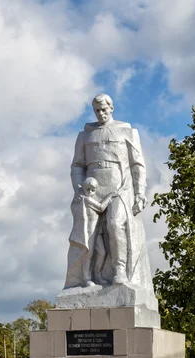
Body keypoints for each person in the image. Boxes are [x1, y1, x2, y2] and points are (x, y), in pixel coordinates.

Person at [64, 93, 153, 290]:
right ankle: (87, 277)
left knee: (115, 223)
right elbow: (77, 165)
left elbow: (137, 165)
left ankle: (119, 270)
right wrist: (79, 187)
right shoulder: (85, 135)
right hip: (92, 189)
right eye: (97, 110)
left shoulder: (126, 131)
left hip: (119, 186)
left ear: (111, 108)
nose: (101, 113)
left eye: (104, 109)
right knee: (90, 234)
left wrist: (139, 192)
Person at [68, 176, 109, 287]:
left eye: (93, 189)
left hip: (97, 231)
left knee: (102, 252)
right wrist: (110, 196)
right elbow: (101, 208)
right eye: (88, 189)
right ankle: (87, 278)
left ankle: (98, 275)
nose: (90, 192)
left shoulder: (88, 198)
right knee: (88, 254)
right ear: (83, 188)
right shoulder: (86, 199)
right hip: (88, 232)